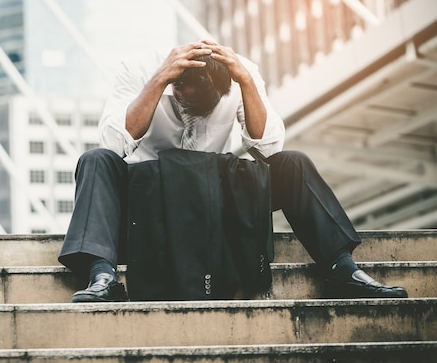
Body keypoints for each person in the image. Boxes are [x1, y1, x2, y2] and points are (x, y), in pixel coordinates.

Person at [58, 40, 408, 302]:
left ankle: (341, 268)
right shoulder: (137, 69)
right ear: (176, 86)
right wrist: (159, 79)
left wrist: (246, 83)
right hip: (151, 200)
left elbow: (269, 148)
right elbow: (113, 142)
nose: (195, 112)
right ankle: (101, 277)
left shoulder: (241, 75)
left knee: (293, 163)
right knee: (96, 160)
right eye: (185, 100)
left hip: (216, 197)